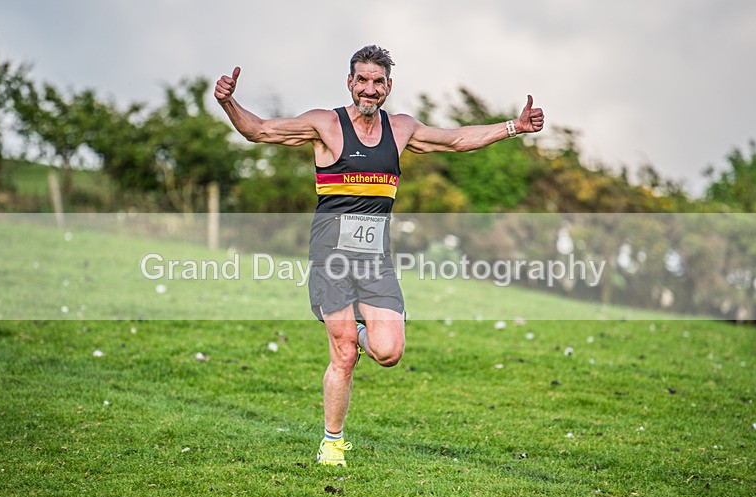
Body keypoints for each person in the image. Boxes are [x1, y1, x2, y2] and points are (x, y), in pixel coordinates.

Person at [214, 45, 544, 467]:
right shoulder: (325, 125)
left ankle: (365, 331)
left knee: (388, 352)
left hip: (374, 260)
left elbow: (457, 140)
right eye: (362, 80)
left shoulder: (401, 129)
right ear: (350, 82)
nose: (369, 89)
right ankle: (332, 443)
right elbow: (259, 131)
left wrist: (513, 127)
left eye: (378, 82)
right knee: (345, 352)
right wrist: (229, 103)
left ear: (388, 87)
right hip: (331, 256)